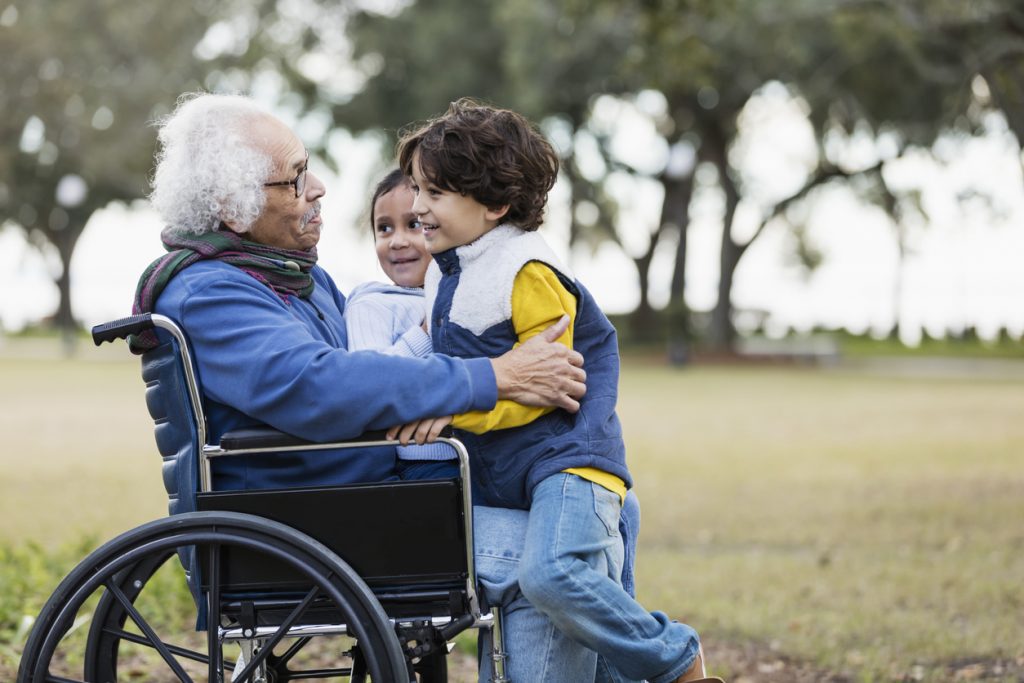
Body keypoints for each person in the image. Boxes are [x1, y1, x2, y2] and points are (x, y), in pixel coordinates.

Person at [395, 98, 722, 683]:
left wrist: (452, 416)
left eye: (434, 194)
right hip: (523, 470)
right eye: (417, 189)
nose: (417, 208)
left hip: (569, 464)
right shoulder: (452, 272)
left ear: (495, 205)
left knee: (549, 574)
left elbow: (548, 388)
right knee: (570, 606)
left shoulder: (525, 272)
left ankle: (675, 657)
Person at [130, 92, 585, 496]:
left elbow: (374, 364)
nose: (318, 188)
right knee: (569, 531)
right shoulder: (208, 294)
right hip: (326, 513)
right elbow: (322, 387)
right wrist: (493, 376)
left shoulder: (297, 277)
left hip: (372, 488)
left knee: (580, 487)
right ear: (233, 207)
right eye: (296, 178)